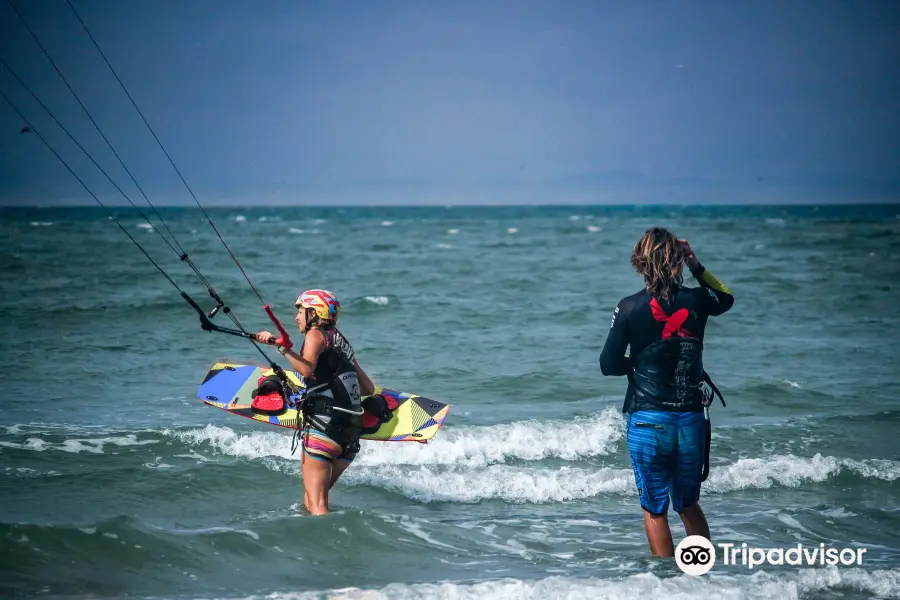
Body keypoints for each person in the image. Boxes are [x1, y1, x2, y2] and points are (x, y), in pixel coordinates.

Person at [599, 227, 734, 556]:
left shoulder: (629, 307)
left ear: (640, 262)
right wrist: (696, 264)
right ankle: (702, 575)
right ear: (678, 261)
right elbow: (726, 297)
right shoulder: (698, 300)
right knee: (688, 504)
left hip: (647, 421)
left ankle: (665, 584)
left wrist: (639, 361)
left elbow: (609, 364)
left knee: (655, 509)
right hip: (689, 420)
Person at [256, 289, 375, 516]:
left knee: (318, 505)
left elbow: (307, 369)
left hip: (323, 428)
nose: (296, 317)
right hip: (350, 435)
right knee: (312, 500)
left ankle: (330, 547)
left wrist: (280, 347)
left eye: (300, 311)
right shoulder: (342, 343)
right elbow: (368, 389)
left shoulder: (315, 335)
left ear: (314, 312)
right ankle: (312, 545)